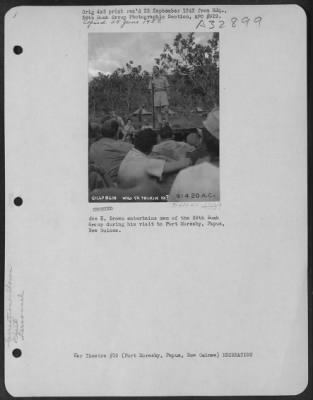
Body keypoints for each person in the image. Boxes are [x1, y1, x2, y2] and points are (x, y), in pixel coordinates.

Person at [118, 129, 191, 189]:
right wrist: (182, 152)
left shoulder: (131, 154)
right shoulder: (147, 163)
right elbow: (183, 164)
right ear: (152, 146)